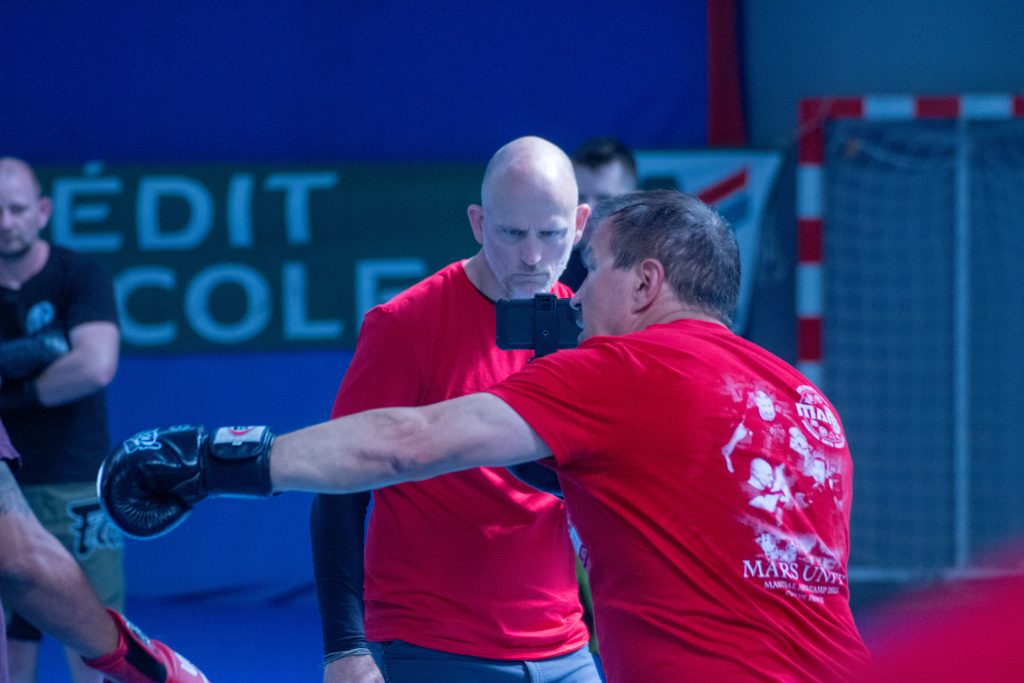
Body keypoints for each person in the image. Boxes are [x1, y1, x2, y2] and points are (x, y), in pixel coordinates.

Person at [100, 190, 874, 681]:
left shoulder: (624, 372)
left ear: (645, 283)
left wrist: (213, 460)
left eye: (593, 267)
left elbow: (407, 442)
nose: (574, 292)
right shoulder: (807, 404)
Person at [308, 136, 597, 682]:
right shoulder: (405, 325)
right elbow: (339, 487)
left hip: (567, 648)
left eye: (550, 233)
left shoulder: (589, 328)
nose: (532, 257)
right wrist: (343, 648)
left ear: (580, 224)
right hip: (428, 645)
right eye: (512, 233)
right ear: (478, 223)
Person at [0, 157, 124, 683]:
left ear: (43, 211)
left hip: (76, 479)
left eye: (17, 208)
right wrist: (45, 365)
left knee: (93, 623)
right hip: (4, 480)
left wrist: (10, 394)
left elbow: (94, 366)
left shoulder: (80, 274)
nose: (6, 222)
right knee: (10, 629)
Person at [0, 419, 208, 682]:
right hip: (54, 479)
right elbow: (20, 562)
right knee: (43, 632)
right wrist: (151, 665)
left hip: (68, 471)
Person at [560, 137, 638, 290]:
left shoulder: (663, 275)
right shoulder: (554, 278)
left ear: (635, 202)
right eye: (579, 197)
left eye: (604, 199)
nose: (588, 209)